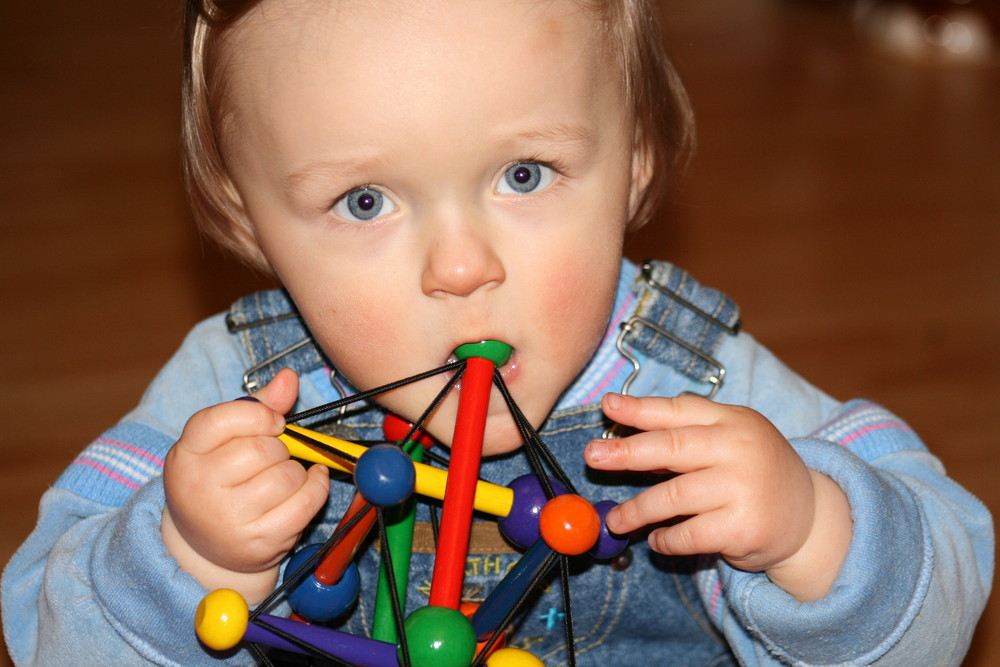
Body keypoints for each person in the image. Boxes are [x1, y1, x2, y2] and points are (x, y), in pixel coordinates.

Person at [2, 0, 992, 664]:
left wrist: (810, 528)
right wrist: (186, 557)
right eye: (362, 201)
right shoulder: (233, 394)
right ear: (240, 215)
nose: (461, 266)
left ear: (637, 157)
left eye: (523, 174)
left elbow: (943, 588)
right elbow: (42, 620)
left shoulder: (698, 387)